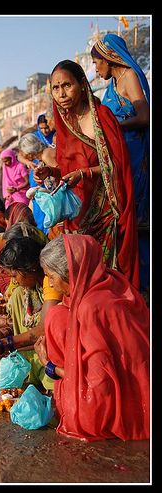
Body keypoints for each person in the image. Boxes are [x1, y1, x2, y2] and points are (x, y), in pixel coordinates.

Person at [20, 60, 140, 290]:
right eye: (56, 88)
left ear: (82, 85)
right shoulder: (65, 123)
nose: (61, 93)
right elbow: (67, 169)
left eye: (67, 85)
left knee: (106, 280)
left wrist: (84, 174)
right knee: (79, 279)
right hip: (77, 214)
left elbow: (117, 166)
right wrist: (49, 172)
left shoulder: (102, 117)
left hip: (105, 211)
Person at [32, 233, 149, 441]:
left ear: (71, 273)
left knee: (56, 317)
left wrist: (50, 366)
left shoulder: (90, 307)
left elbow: (101, 380)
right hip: (141, 387)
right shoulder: (112, 281)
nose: (50, 284)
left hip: (120, 406)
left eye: (51, 276)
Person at [91, 34, 150, 298]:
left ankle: (143, 285)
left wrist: (113, 128)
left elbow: (144, 116)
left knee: (136, 221)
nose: (95, 68)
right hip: (119, 157)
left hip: (134, 158)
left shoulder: (129, 77)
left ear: (109, 57)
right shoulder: (112, 85)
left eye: (96, 62)